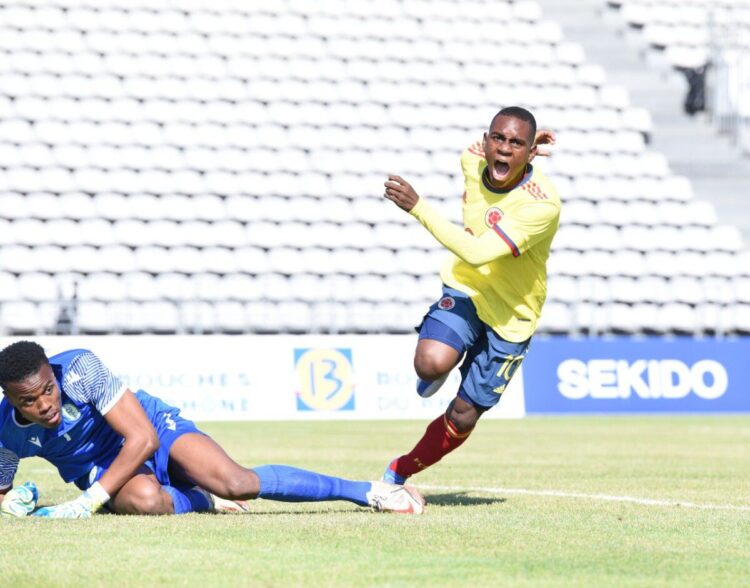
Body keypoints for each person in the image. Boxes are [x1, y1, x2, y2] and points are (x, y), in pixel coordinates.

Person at [0, 341, 424, 518]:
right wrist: (11, 502)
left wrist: (88, 502)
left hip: (149, 427)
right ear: (10, 399)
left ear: (53, 376)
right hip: (102, 464)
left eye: (47, 391)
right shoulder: (6, 431)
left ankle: (368, 492)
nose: (45, 405)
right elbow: (2, 487)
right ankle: (201, 500)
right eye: (29, 401)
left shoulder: (78, 368)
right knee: (149, 503)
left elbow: (143, 438)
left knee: (237, 482)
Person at [381, 106, 561, 484]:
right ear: (484, 142)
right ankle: (439, 369)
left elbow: (478, 252)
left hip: (511, 316)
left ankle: (399, 471)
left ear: (531, 154)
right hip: (466, 287)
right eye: (498, 139)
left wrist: (418, 207)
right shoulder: (471, 158)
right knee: (429, 364)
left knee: (463, 415)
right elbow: (473, 265)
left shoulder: (542, 204)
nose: (504, 149)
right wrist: (524, 141)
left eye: (516, 144)